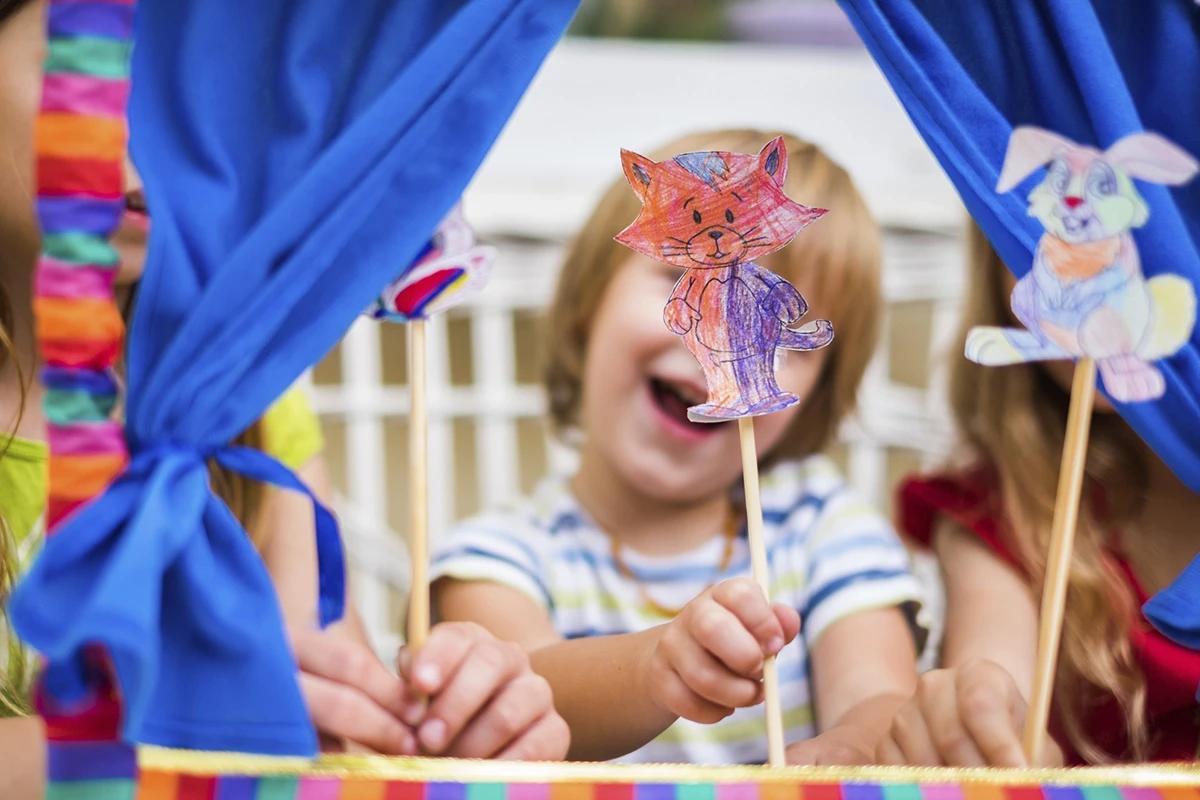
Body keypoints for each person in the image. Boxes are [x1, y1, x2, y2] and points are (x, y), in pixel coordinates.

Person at [0, 3, 565, 796]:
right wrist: (168, 734)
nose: (169, 119)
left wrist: (429, 724)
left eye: (208, 81)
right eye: (108, 62)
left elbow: (321, 727)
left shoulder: (250, 407)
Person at [432, 129, 926, 764]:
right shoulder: (498, 554)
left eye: (783, 321)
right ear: (589, 303)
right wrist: (654, 665)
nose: (721, 327)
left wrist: (853, 751)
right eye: (681, 271)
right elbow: (526, 695)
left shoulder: (824, 528)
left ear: (824, 388)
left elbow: (880, 699)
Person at [877, 222, 1200, 767]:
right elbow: (996, 675)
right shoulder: (999, 512)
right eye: (1042, 234)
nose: (1083, 274)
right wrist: (981, 722)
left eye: (1130, 231)